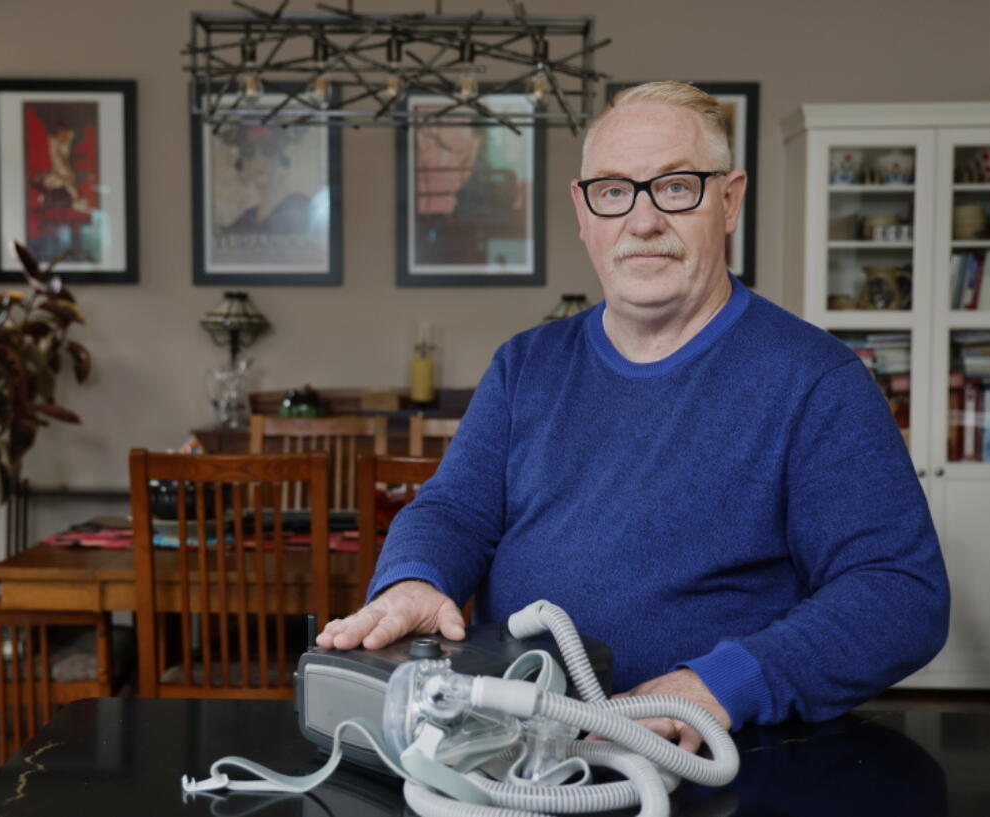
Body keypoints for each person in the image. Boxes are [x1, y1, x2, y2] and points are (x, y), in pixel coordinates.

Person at [318, 81, 950, 752]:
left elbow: (899, 593)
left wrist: (713, 686)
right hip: (517, 758)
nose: (642, 221)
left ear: (729, 201)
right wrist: (415, 577)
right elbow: (455, 510)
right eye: (614, 191)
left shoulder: (815, 380)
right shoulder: (524, 366)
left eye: (675, 187)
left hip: (709, 765)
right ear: (583, 211)